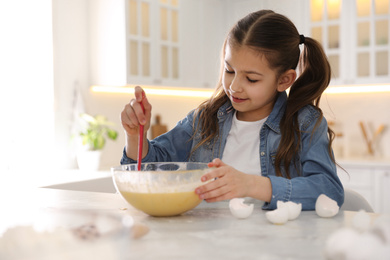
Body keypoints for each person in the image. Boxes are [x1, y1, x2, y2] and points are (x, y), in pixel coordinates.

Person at [120, 10, 344, 210]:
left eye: (251, 79)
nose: (234, 86)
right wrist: (134, 134)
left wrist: (251, 184)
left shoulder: (304, 123)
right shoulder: (204, 119)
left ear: (284, 80)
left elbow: (329, 191)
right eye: (229, 70)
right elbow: (151, 169)